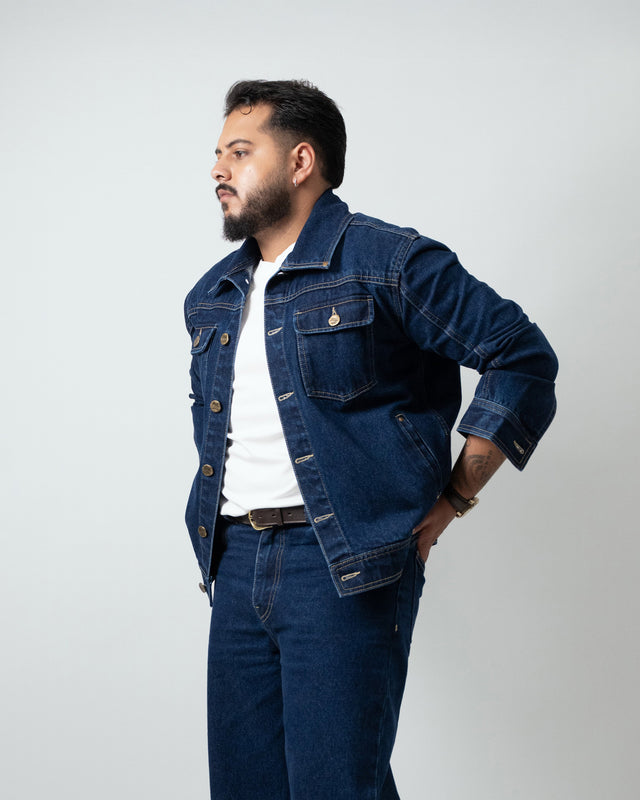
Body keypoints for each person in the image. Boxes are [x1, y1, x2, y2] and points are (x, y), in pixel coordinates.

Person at [184, 79, 557, 800]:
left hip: (342, 563)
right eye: (218, 154)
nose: (218, 170)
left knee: (336, 785)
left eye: (240, 152)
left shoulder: (389, 261)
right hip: (233, 560)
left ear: (301, 161)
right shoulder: (214, 296)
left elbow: (521, 355)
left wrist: (455, 497)